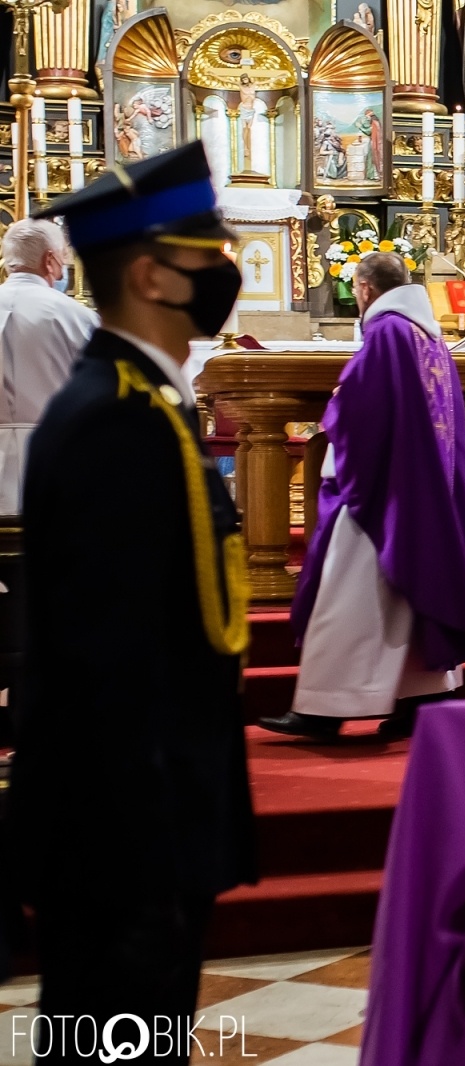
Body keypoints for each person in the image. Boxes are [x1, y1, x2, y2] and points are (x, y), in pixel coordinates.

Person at [14, 140, 256, 1060]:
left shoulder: (144, 401)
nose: (224, 269)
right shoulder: (118, 415)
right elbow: (105, 655)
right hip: (125, 827)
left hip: (145, 811)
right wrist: (150, 846)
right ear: (154, 274)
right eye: (209, 254)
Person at [264, 252, 465, 739]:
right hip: (413, 486)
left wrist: (335, 419)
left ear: (363, 289)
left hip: (380, 488)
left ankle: (323, 709)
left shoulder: (385, 332)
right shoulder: (428, 334)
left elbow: (364, 406)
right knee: (402, 593)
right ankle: (423, 697)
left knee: (347, 590)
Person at [0, 220, 98, 426]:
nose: (65, 265)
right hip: (54, 446)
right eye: (64, 255)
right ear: (49, 259)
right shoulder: (76, 316)